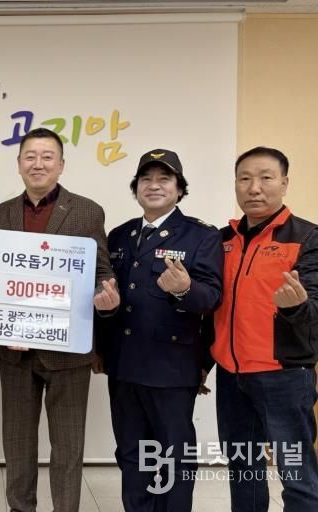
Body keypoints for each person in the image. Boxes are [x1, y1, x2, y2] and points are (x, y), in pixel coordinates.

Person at [0, 127, 119, 512]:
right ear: (18, 164)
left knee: (68, 448)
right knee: (17, 445)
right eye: (30, 156)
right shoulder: (0, 214)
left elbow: (100, 272)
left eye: (47, 156)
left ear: (61, 165)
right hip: (15, 351)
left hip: (68, 351)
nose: (38, 163)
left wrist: (107, 298)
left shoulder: (88, 211)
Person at [98, 149, 223, 511]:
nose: (154, 185)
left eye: (164, 179)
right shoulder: (120, 235)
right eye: (146, 179)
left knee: (173, 457)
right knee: (132, 453)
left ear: (179, 189)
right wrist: (100, 342)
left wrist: (185, 288)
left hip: (172, 367)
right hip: (124, 367)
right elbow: (111, 301)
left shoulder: (200, 236)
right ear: (136, 187)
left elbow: (212, 298)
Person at [206, 146, 318, 511]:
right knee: (243, 468)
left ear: (284, 183)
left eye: (266, 178)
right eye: (245, 178)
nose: (254, 187)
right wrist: (201, 365)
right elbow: (211, 308)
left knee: (296, 473)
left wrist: (296, 307)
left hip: (284, 375)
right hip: (231, 375)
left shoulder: (307, 237)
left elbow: (314, 309)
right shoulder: (221, 239)